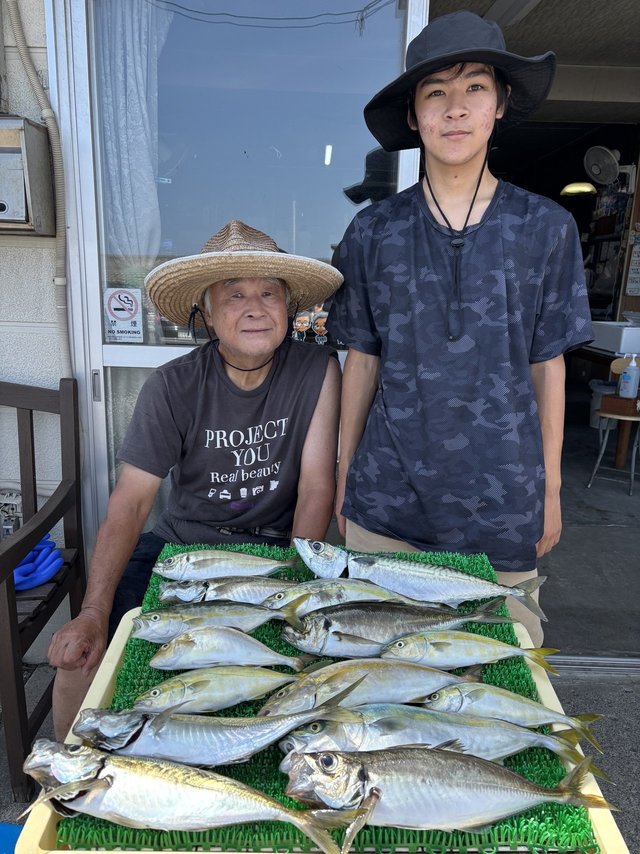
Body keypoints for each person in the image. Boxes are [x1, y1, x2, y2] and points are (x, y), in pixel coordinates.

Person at [328, 11, 593, 646]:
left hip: (504, 506)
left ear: (500, 103)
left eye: (475, 87)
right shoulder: (374, 230)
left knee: (499, 670)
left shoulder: (546, 228)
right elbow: (362, 359)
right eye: (435, 92)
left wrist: (551, 491)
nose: (455, 108)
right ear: (414, 114)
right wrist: (345, 475)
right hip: (386, 503)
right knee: (379, 673)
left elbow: (548, 365)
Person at [49, 219, 343, 738]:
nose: (255, 307)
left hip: (277, 549)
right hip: (181, 549)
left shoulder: (317, 369)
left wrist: (294, 578)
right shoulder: (173, 385)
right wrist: (92, 611)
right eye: (234, 294)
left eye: (269, 293)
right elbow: (131, 502)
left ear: (289, 306)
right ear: (206, 313)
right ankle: (65, 774)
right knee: (83, 658)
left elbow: (317, 485)